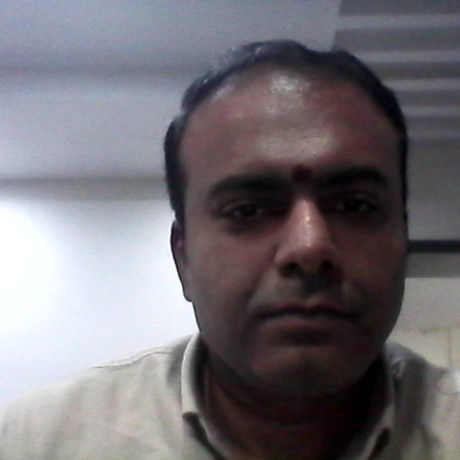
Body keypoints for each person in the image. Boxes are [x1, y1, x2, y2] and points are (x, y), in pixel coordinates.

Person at [1, 39, 459, 460]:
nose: (310, 246)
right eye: (248, 210)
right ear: (184, 259)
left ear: (403, 238)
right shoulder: (37, 442)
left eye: (354, 205)